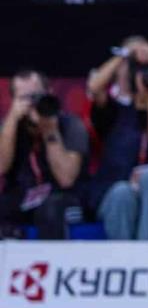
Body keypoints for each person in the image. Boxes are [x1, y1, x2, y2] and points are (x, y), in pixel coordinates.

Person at [86, 37, 148, 240]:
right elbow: (95, 87)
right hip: (116, 190)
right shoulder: (113, 112)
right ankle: (124, 265)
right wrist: (125, 54)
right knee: (122, 193)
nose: (142, 75)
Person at [0, 70, 87, 239]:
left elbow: (66, 179)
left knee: (51, 209)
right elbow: (1, 167)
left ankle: (54, 263)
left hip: (63, 198)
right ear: (14, 101)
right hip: (23, 196)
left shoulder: (70, 125)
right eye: (25, 98)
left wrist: (49, 130)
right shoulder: (8, 128)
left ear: (49, 93)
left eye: (36, 96)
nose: (32, 103)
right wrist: (12, 120)